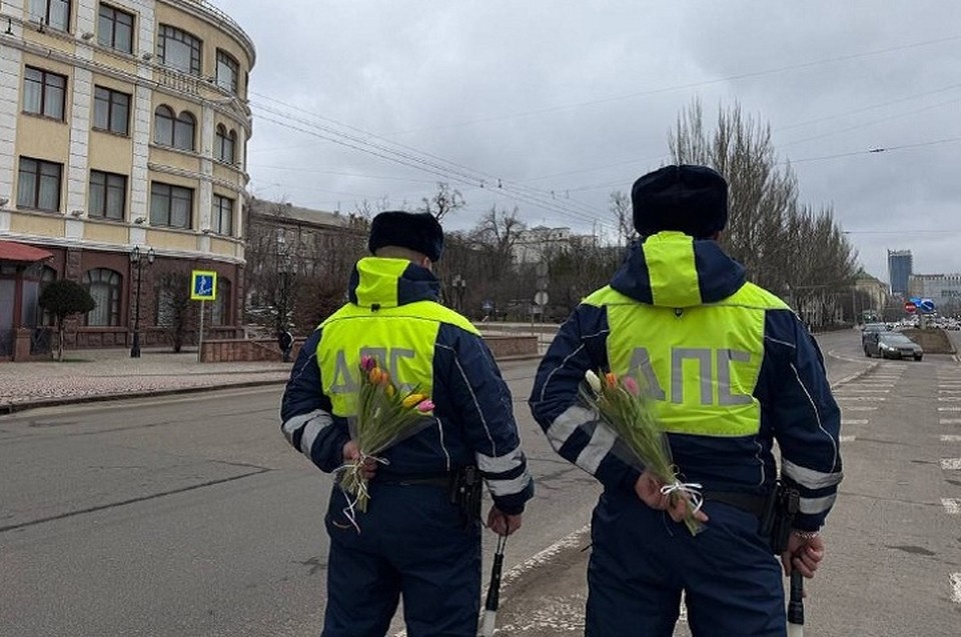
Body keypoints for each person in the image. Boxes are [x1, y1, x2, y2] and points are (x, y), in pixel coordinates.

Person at [529, 165, 842, 636]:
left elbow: (550, 398)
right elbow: (814, 438)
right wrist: (802, 525)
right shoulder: (771, 316)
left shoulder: (599, 311)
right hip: (736, 528)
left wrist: (626, 471)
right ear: (719, 229)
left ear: (640, 227)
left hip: (632, 521)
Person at [280, 210, 534, 637]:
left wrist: (341, 448)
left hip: (354, 506)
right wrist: (510, 500)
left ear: (373, 256)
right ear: (427, 262)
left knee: (349, 627)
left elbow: (296, 412)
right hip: (436, 513)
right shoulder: (450, 332)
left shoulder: (331, 329)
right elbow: (493, 430)